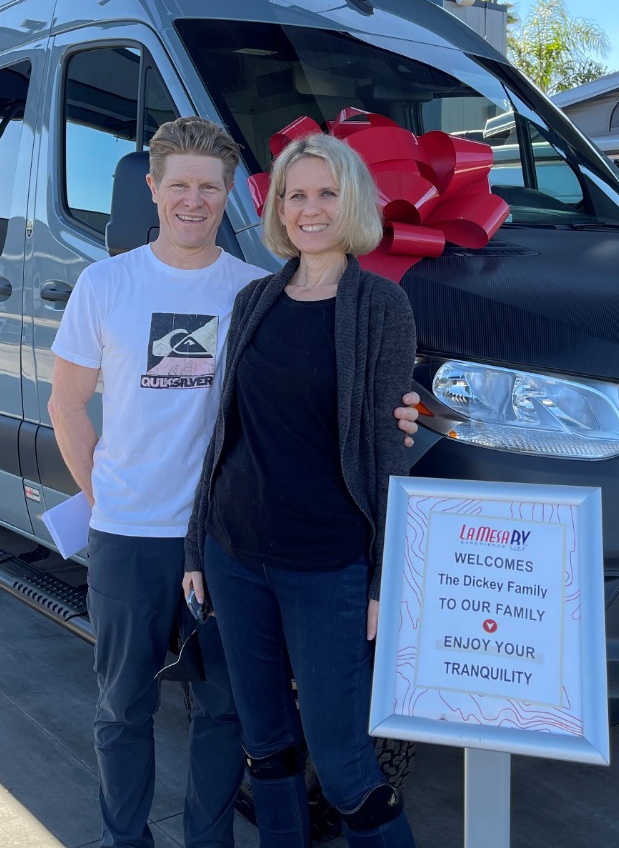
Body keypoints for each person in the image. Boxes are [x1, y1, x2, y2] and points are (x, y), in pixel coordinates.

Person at [48, 117, 421, 848]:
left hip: (246, 546)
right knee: (125, 708)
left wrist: (399, 419)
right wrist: (105, 501)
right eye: (179, 185)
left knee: (238, 721)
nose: (194, 200)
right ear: (153, 190)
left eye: (209, 187)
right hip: (146, 538)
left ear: (231, 199)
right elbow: (68, 403)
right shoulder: (114, 284)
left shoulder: (256, 291)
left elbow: (358, 423)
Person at [184, 131, 417, 848]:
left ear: (350, 204)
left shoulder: (380, 307)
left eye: (325, 193)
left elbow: (386, 448)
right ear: (278, 209)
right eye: (295, 195)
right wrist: (198, 546)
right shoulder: (255, 300)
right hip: (235, 552)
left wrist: (384, 578)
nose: (308, 209)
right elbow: (226, 431)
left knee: (346, 768)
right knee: (267, 747)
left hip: (329, 567)